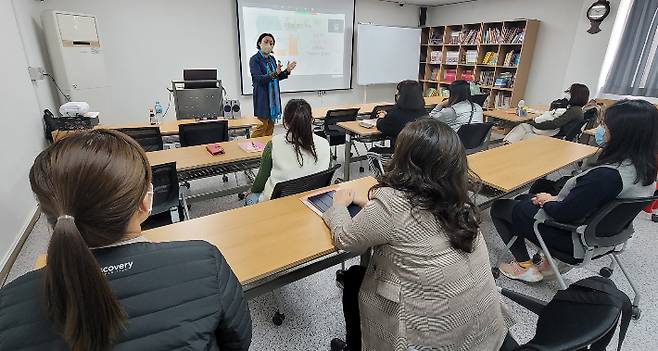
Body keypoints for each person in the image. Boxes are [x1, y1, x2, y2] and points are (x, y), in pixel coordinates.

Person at [0, 130, 252, 351]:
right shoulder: (204, 261)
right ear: (145, 201)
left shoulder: (7, 304)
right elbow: (238, 340)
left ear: (49, 213)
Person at [323, 118, 507, 350]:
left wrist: (339, 205)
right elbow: (416, 222)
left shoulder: (393, 203)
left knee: (352, 280)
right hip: (481, 333)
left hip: (426, 340)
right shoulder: (459, 200)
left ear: (404, 158)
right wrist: (374, 207)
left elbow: (344, 238)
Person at [491, 99, 658, 282]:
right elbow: (591, 202)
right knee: (525, 197)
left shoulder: (606, 177)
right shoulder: (645, 170)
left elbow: (564, 214)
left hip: (574, 239)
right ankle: (547, 263)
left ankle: (525, 266)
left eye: (606, 125)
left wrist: (548, 200)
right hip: (606, 237)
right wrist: (553, 198)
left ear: (623, 134)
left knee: (500, 207)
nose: (602, 129)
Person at [246, 99, 331, 205]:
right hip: (312, 202)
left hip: (277, 205)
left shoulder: (274, 144)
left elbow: (260, 183)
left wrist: (251, 191)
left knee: (251, 197)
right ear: (311, 120)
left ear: (285, 123)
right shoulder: (325, 144)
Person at [503, 83, 589, 143]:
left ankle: (506, 146)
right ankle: (507, 145)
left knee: (523, 130)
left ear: (575, 95)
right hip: (556, 134)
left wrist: (534, 123)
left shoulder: (574, 111)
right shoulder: (576, 109)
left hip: (555, 137)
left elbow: (554, 124)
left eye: (569, 92)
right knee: (523, 127)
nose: (566, 93)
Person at [250, 33, 297, 137]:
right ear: (259, 43)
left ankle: (266, 148)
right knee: (262, 125)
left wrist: (286, 71)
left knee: (270, 125)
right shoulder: (255, 59)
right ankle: (253, 149)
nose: (268, 45)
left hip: (273, 98)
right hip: (262, 96)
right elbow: (258, 79)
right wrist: (275, 73)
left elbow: (276, 77)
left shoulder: (272, 59)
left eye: (271, 43)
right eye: (266, 42)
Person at [371, 80, 428, 154]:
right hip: (418, 154)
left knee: (372, 151)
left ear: (402, 96)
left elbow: (381, 125)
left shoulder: (395, 115)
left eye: (398, 92)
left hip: (399, 154)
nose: (396, 93)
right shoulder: (424, 113)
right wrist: (387, 113)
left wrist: (381, 117)